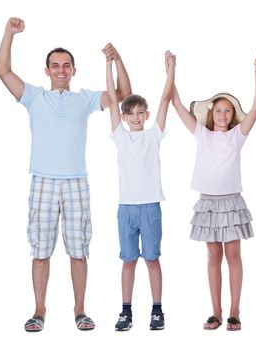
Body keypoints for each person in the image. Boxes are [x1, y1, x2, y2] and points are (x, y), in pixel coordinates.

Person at [0, 17, 132, 332]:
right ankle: (39, 310)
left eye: (66, 66)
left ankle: (80, 310)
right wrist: (9, 33)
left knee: (79, 250)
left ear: (73, 70)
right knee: (41, 249)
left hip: (75, 182)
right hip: (42, 180)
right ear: (47, 71)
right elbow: (3, 71)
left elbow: (124, 92)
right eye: (55, 66)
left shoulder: (84, 98)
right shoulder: (33, 96)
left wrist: (117, 59)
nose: (61, 70)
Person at [171, 53, 256, 331]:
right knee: (213, 256)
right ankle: (216, 311)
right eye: (218, 110)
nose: (223, 114)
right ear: (210, 114)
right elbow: (176, 103)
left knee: (233, 255)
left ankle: (235, 311)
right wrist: (171, 70)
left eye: (227, 110)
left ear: (233, 115)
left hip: (232, 202)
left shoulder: (237, 135)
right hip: (208, 204)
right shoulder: (202, 134)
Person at [106, 49, 175, 331]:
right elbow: (112, 97)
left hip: (150, 206)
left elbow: (165, 98)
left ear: (146, 115)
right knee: (129, 260)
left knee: (152, 258)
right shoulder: (120, 137)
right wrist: (109, 63)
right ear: (123, 117)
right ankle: (126, 310)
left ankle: (157, 309)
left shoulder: (153, 135)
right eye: (130, 113)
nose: (136, 118)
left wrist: (171, 68)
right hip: (126, 208)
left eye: (140, 113)